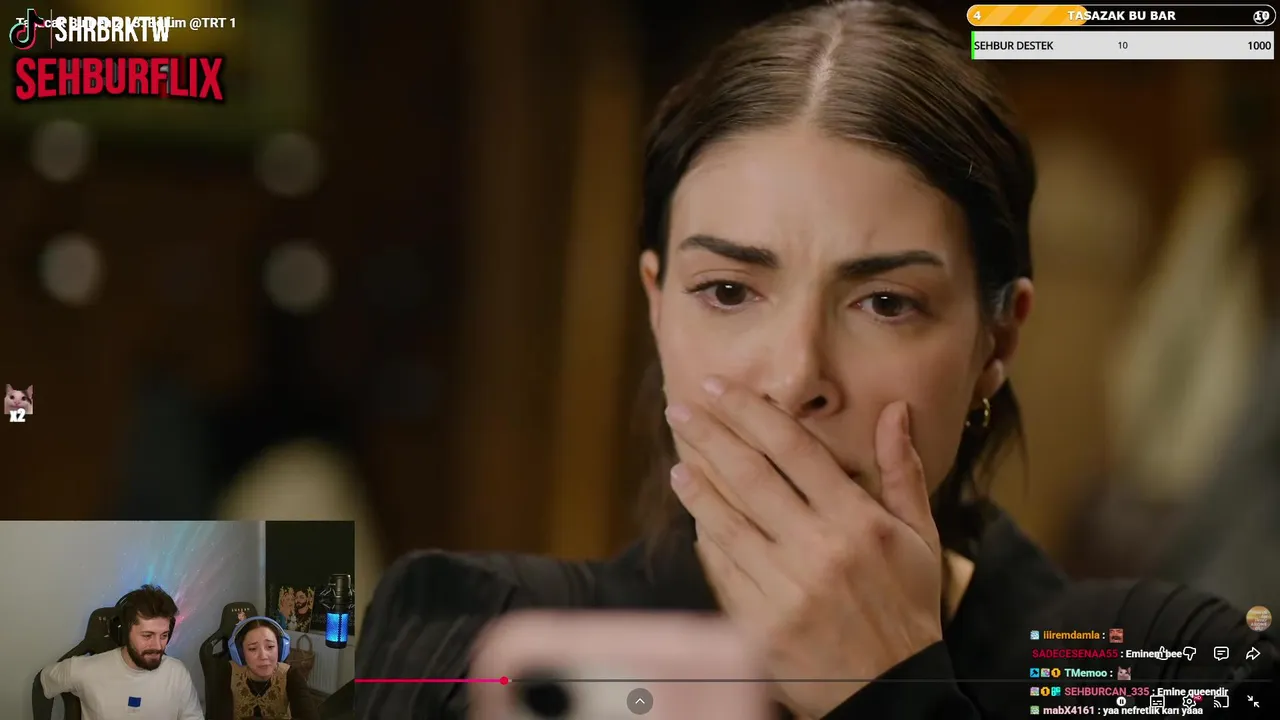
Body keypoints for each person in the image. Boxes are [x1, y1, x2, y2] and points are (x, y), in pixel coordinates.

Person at [357, 2, 1280, 718]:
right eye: (728, 291)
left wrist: (890, 691)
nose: (796, 375)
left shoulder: (1154, 665)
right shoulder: (466, 628)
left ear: (997, 341)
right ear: (657, 307)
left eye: (886, 303)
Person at [40, 584, 204, 720]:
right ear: (124, 632)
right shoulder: (86, 670)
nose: (158, 646)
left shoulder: (177, 674)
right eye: (147, 635)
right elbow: (41, 682)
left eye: (164, 635)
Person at [207, 616, 320, 720]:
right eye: (252, 649)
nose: (263, 656)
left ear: (280, 649)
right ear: (241, 653)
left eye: (270, 647)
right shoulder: (227, 673)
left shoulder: (292, 675)